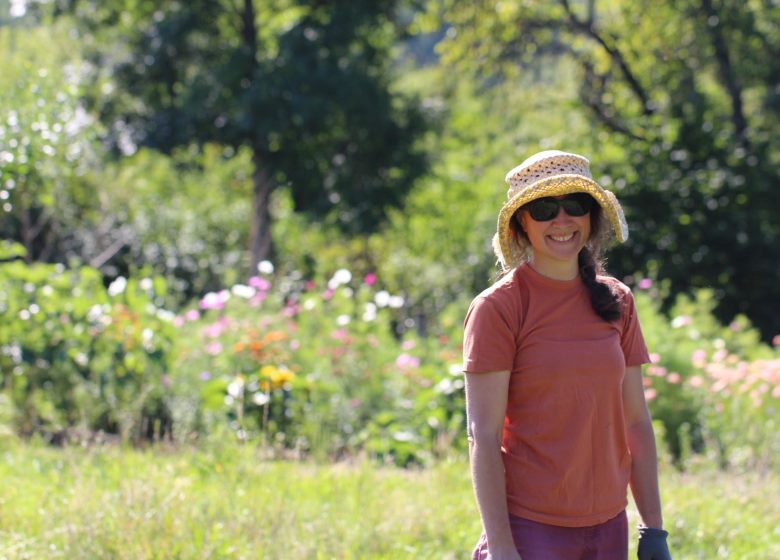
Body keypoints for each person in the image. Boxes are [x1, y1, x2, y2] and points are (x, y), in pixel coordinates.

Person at [463, 150, 672, 560]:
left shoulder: (618, 300)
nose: (562, 220)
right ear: (522, 223)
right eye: (544, 209)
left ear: (591, 216)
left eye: (575, 205)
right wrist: (502, 547)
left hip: (610, 526)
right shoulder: (498, 308)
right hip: (530, 530)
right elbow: (482, 435)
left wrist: (653, 529)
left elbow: (636, 421)